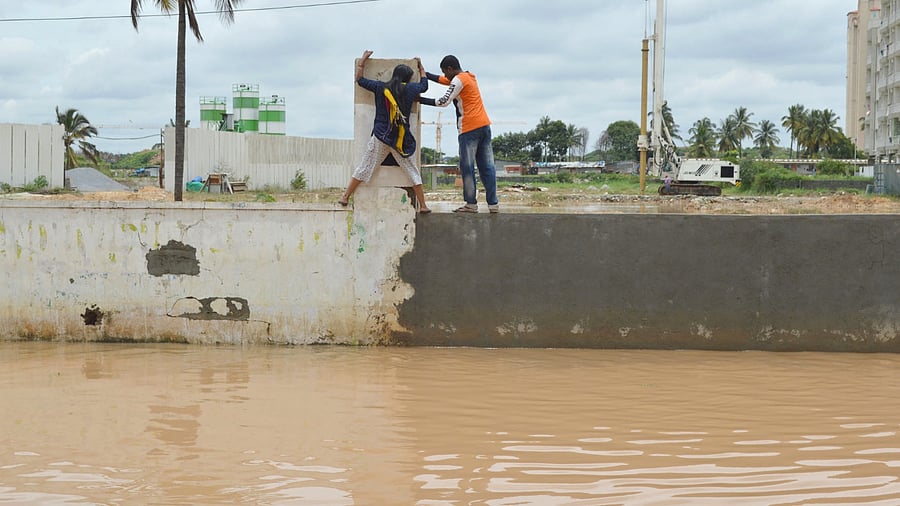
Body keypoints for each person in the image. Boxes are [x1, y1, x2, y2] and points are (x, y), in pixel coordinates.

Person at [340, 50, 431, 214]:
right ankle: (423, 205)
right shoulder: (410, 89)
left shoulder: (380, 87)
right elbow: (424, 86)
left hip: (381, 136)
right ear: (407, 78)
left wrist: (363, 61)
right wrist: (421, 67)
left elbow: (359, 80)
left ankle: (345, 196)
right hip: (400, 140)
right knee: (412, 171)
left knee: (365, 166)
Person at [419, 55, 498, 213]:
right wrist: (424, 73)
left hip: (469, 129)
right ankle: (493, 205)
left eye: (445, 72)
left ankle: (471, 204)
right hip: (484, 126)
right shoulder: (468, 77)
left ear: (450, 69)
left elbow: (444, 101)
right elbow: (444, 81)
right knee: (487, 167)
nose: (445, 76)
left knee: (467, 167)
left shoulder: (458, 81)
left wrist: (420, 100)